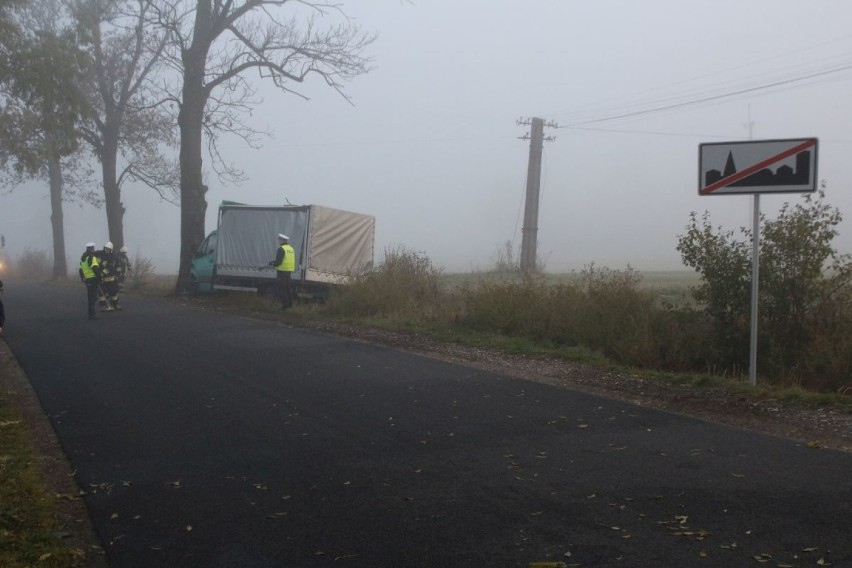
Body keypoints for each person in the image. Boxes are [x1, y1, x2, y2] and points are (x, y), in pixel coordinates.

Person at [269, 233, 295, 309]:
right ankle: (290, 305)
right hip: (288, 272)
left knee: (281, 289)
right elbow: (285, 259)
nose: (278, 241)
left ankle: (284, 306)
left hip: (282, 272)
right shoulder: (291, 249)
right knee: (287, 289)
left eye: (279, 240)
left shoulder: (281, 249)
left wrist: (273, 263)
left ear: (282, 240)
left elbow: (278, 263)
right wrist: (274, 262)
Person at [79, 243, 102, 320]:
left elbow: (81, 269)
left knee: (90, 297)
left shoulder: (83, 258)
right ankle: (92, 314)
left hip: (87, 279)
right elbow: (95, 269)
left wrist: (82, 278)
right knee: (93, 296)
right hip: (93, 279)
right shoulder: (91, 258)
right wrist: (99, 278)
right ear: (92, 249)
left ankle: (90, 313)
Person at [97, 241, 121, 311]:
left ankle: (115, 304)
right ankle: (104, 306)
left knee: (113, 293)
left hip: (111, 279)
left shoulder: (113, 257)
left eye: (108, 249)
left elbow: (113, 267)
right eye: (105, 248)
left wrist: (117, 275)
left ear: (111, 250)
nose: (106, 250)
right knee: (102, 293)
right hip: (102, 279)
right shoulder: (100, 255)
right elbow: (98, 266)